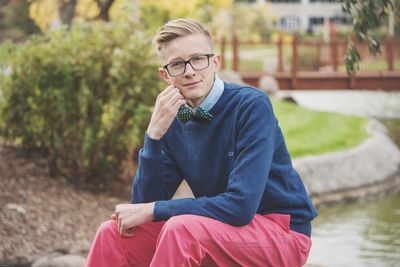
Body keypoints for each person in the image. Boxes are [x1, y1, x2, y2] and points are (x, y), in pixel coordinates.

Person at [85, 18, 317, 267]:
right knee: (111, 233)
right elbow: (144, 205)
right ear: (165, 75)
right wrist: (153, 135)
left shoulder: (250, 105)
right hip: (218, 227)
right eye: (177, 64)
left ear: (215, 62)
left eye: (197, 59)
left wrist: (154, 209)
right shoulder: (173, 118)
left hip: (282, 232)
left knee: (182, 228)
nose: (189, 70)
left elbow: (241, 206)